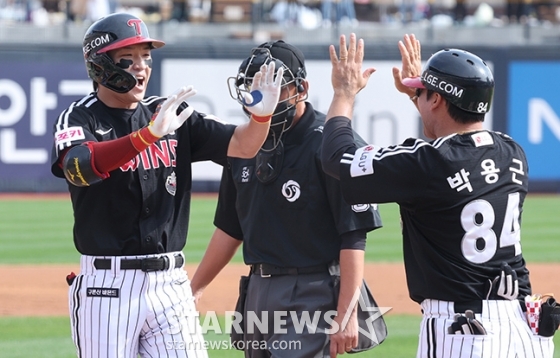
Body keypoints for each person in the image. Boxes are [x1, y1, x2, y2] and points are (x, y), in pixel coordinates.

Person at [50, 12, 283, 358]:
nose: (141, 67)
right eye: (127, 59)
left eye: (146, 56)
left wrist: (262, 117)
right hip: (107, 288)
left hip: (170, 284)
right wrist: (146, 136)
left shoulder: (168, 114)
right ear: (101, 66)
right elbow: (78, 168)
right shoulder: (81, 117)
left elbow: (244, 145)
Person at [321, 33, 555, 357]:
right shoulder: (512, 152)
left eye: (426, 93)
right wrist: (423, 96)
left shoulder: (426, 163)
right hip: (525, 331)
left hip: (464, 332)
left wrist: (344, 94)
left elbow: (335, 156)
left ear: (438, 100)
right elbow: (450, 147)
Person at [189, 40, 383, 357]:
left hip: (312, 291)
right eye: (254, 89)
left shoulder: (328, 145)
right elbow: (230, 228)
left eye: (273, 88)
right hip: (256, 290)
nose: (261, 99)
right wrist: (194, 289)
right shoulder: (242, 144)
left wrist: (346, 313)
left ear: (301, 88)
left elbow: (353, 234)